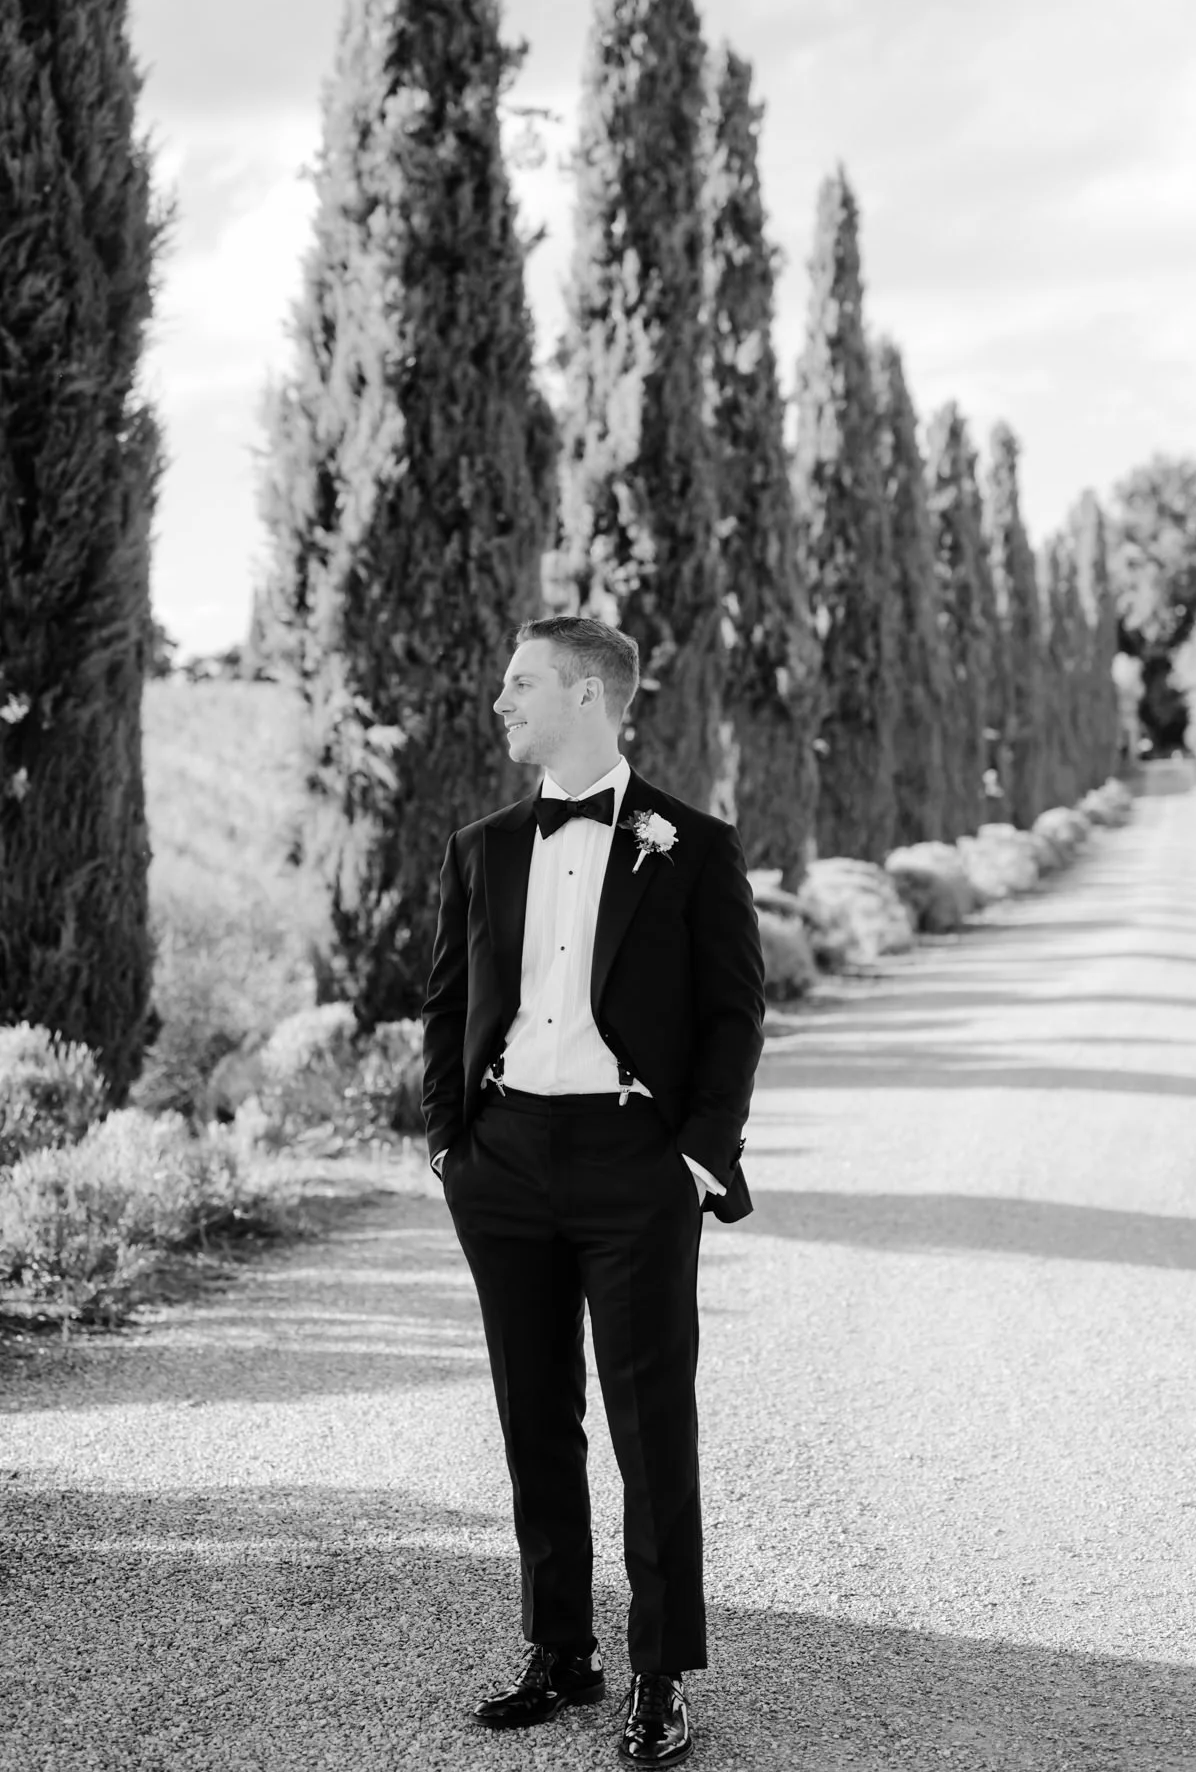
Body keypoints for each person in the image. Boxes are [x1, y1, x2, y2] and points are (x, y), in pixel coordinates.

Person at [420, 615, 765, 1766]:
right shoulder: (480, 845)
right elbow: (442, 1004)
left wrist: (695, 1155)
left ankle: (658, 1671)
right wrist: (445, 1141)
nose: (501, 702)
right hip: (503, 1158)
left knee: (647, 1424)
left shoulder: (694, 845)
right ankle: (558, 1650)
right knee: (533, 1417)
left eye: (520, 684)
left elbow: (732, 1016)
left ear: (585, 695)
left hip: (634, 1164)